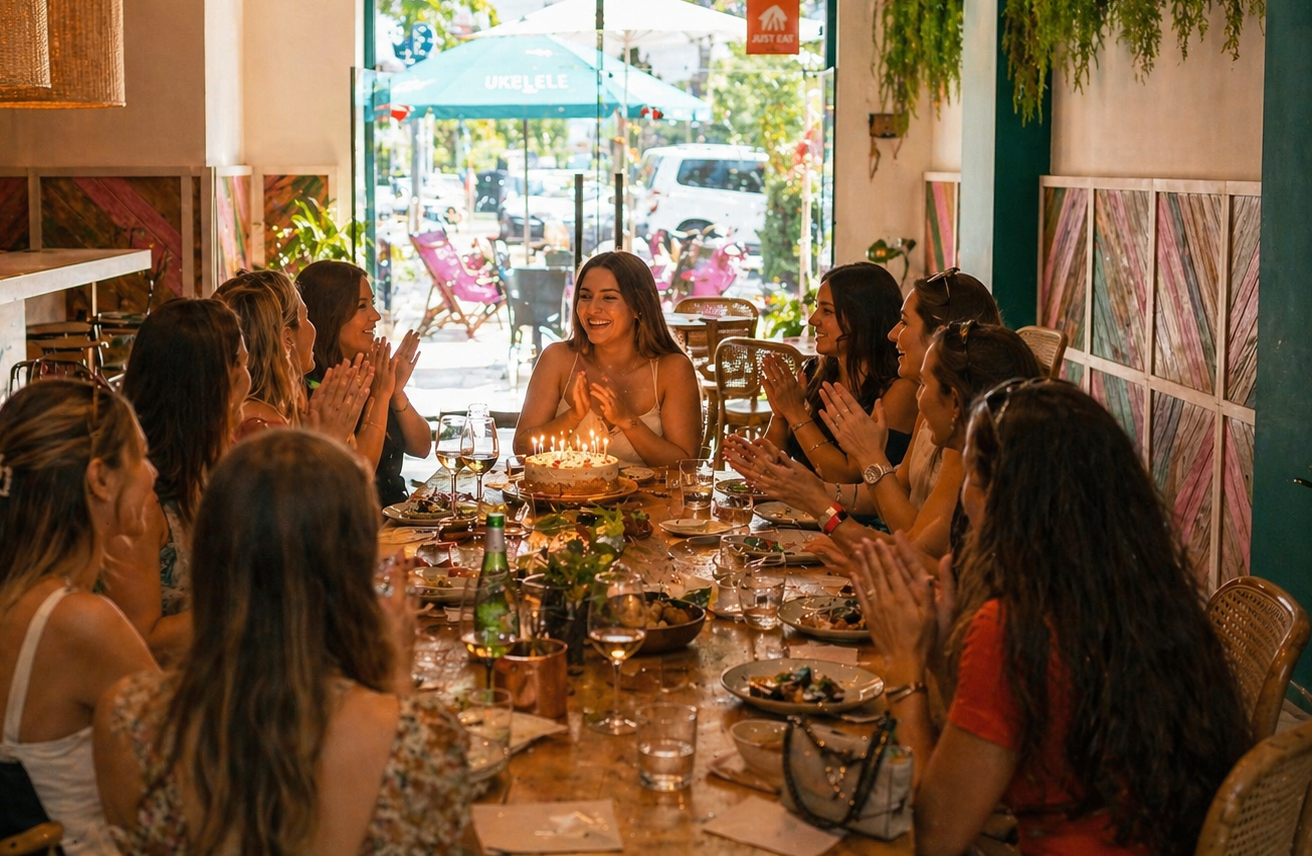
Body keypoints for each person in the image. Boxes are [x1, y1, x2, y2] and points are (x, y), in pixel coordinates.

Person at [852, 380, 1250, 856]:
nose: (963, 496)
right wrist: (938, 654)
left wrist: (903, 671)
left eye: (972, 478)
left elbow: (931, 838)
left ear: (1012, 499)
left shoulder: (1012, 626)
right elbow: (997, 747)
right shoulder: (1138, 593)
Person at [94, 430, 474, 856]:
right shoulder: (418, 739)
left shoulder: (126, 720)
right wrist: (394, 679)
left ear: (210, 556)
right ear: (352, 571)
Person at [0, 381, 159, 856]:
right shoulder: (80, 621)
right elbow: (180, 765)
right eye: (140, 457)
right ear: (99, 479)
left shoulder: (0, 596)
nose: (153, 473)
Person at [725, 267, 1002, 550]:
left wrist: (862, 464)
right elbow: (898, 487)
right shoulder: (926, 403)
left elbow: (919, 547)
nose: (893, 334)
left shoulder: (965, 430)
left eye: (904, 323)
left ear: (940, 337)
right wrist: (808, 487)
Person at [116, 298, 249, 661]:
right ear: (211, 386)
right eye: (240, 366)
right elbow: (142, 640)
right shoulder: (140, 498)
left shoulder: (204, 468)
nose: (247, 383)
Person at [514, 250, 701, 466]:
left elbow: (686, 465)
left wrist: (626, 420)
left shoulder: (673, 369)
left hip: (651, 500)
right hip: (564, 497)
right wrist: (573, 416)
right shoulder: (557, 359)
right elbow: (522, 449)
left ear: (638, 307)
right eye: (585, 296)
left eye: (609, 297)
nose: (592, 309)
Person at [758, 263, 916, 483]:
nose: (813, 319)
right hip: (796, 509)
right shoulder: (814, 373)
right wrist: (780, 415)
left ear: (863, 318)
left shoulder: (900, 389)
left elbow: (848, 476)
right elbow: (769, 466)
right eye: (816, 308)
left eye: (827, 311)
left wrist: (795, 413)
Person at [296, 260, 430, 506]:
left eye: (373, 305)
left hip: (397, 518)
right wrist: (380, 396)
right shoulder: (314, 390)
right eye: (362, 306)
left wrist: (396, 391)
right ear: (330, 314)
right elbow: (358, 477)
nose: (376, 316)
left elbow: (422, 448)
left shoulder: (370, 369)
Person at [214, 273, 370, 446]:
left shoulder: (245, 412)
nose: (313, 328)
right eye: (306, 316)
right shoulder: (263, 428)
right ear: (287, 338)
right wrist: (330, 441)